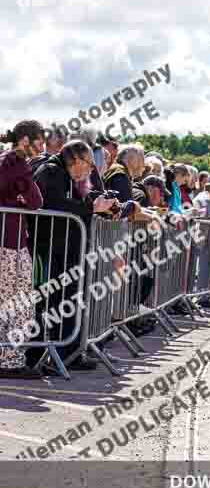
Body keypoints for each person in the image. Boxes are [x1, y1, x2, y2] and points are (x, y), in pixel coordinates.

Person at [31, 140, 119, 370]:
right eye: (89, 165)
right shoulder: (51, 170)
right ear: (77, 160)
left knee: (70, 300)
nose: (90, 171)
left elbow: (75, 202)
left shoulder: (67, 175)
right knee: (53, 302)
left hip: (66, 249)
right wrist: (91, 208)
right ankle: (49, 355)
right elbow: (54, 204)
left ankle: (69, 353)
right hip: (50, 248)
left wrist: (100, 203)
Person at [0, 121, 45, 377]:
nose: (42, 145)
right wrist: (19, 198)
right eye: (39, 140)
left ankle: (11, 360)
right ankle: (10, 362)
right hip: (8, 243)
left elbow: (32, 200)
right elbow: (36, 201)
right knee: (16, 304)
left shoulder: (10, 160)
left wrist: (20, 198)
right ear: (25, 140)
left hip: (13, 241)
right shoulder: (14, 161)